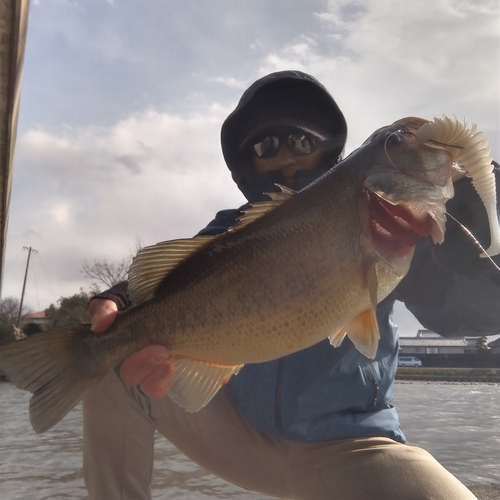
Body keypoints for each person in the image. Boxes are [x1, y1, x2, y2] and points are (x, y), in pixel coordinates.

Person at [83, 70, 500, 500]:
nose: (284, 156)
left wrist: (476, 251)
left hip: (353, 449)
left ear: (328, 146)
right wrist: (119, 300)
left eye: (302, 141)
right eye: (266, 145)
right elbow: (176, 279)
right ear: (249, 160)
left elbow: (478, 313)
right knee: (104, 357)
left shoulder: (396, 225)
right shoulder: (228, 231)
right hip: (241, 439)